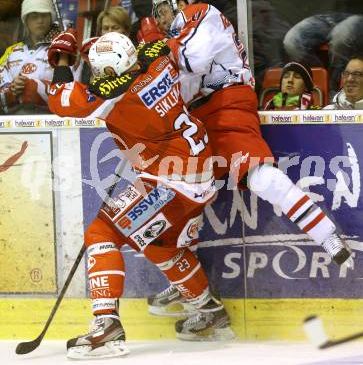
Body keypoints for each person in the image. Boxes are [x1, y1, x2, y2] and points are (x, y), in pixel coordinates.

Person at [148, 0, 352, 317]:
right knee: (185, 191)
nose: (162, 18)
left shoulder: (201, 14)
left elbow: (192, 62)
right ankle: (187, 282)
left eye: (165, 9)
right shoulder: (177, 36)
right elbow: (181, 85)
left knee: (258, 176)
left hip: (227, 103)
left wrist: (156, 56)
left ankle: (325, 233)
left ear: (181, 1)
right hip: (200, 116)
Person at [47, 30, 235, 358]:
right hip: (197, 173)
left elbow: (61, 100)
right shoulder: (157, 59)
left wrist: (63, 59)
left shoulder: (113, 92)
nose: (95, 75)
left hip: (170, 183)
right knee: (159, 244)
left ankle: (106, 325)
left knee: (101, 232)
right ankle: (210, 314)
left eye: (97, 70)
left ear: (109, 73)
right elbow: (154, 42)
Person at [283, 0, 363, 97]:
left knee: (341, 36)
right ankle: (318, 87)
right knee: (292, 41)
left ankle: (333, 91)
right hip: (325, 14)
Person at [0, 0, 59, 114]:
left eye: (44, 15)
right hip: (13, 122)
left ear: (51, 18)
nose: (40, 21)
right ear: (26, 21)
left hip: (52, 120)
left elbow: (71, 92)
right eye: (34, 17)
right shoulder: (12, 52)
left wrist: (35, 88)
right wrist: (11, 91)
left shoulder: (62, 49)